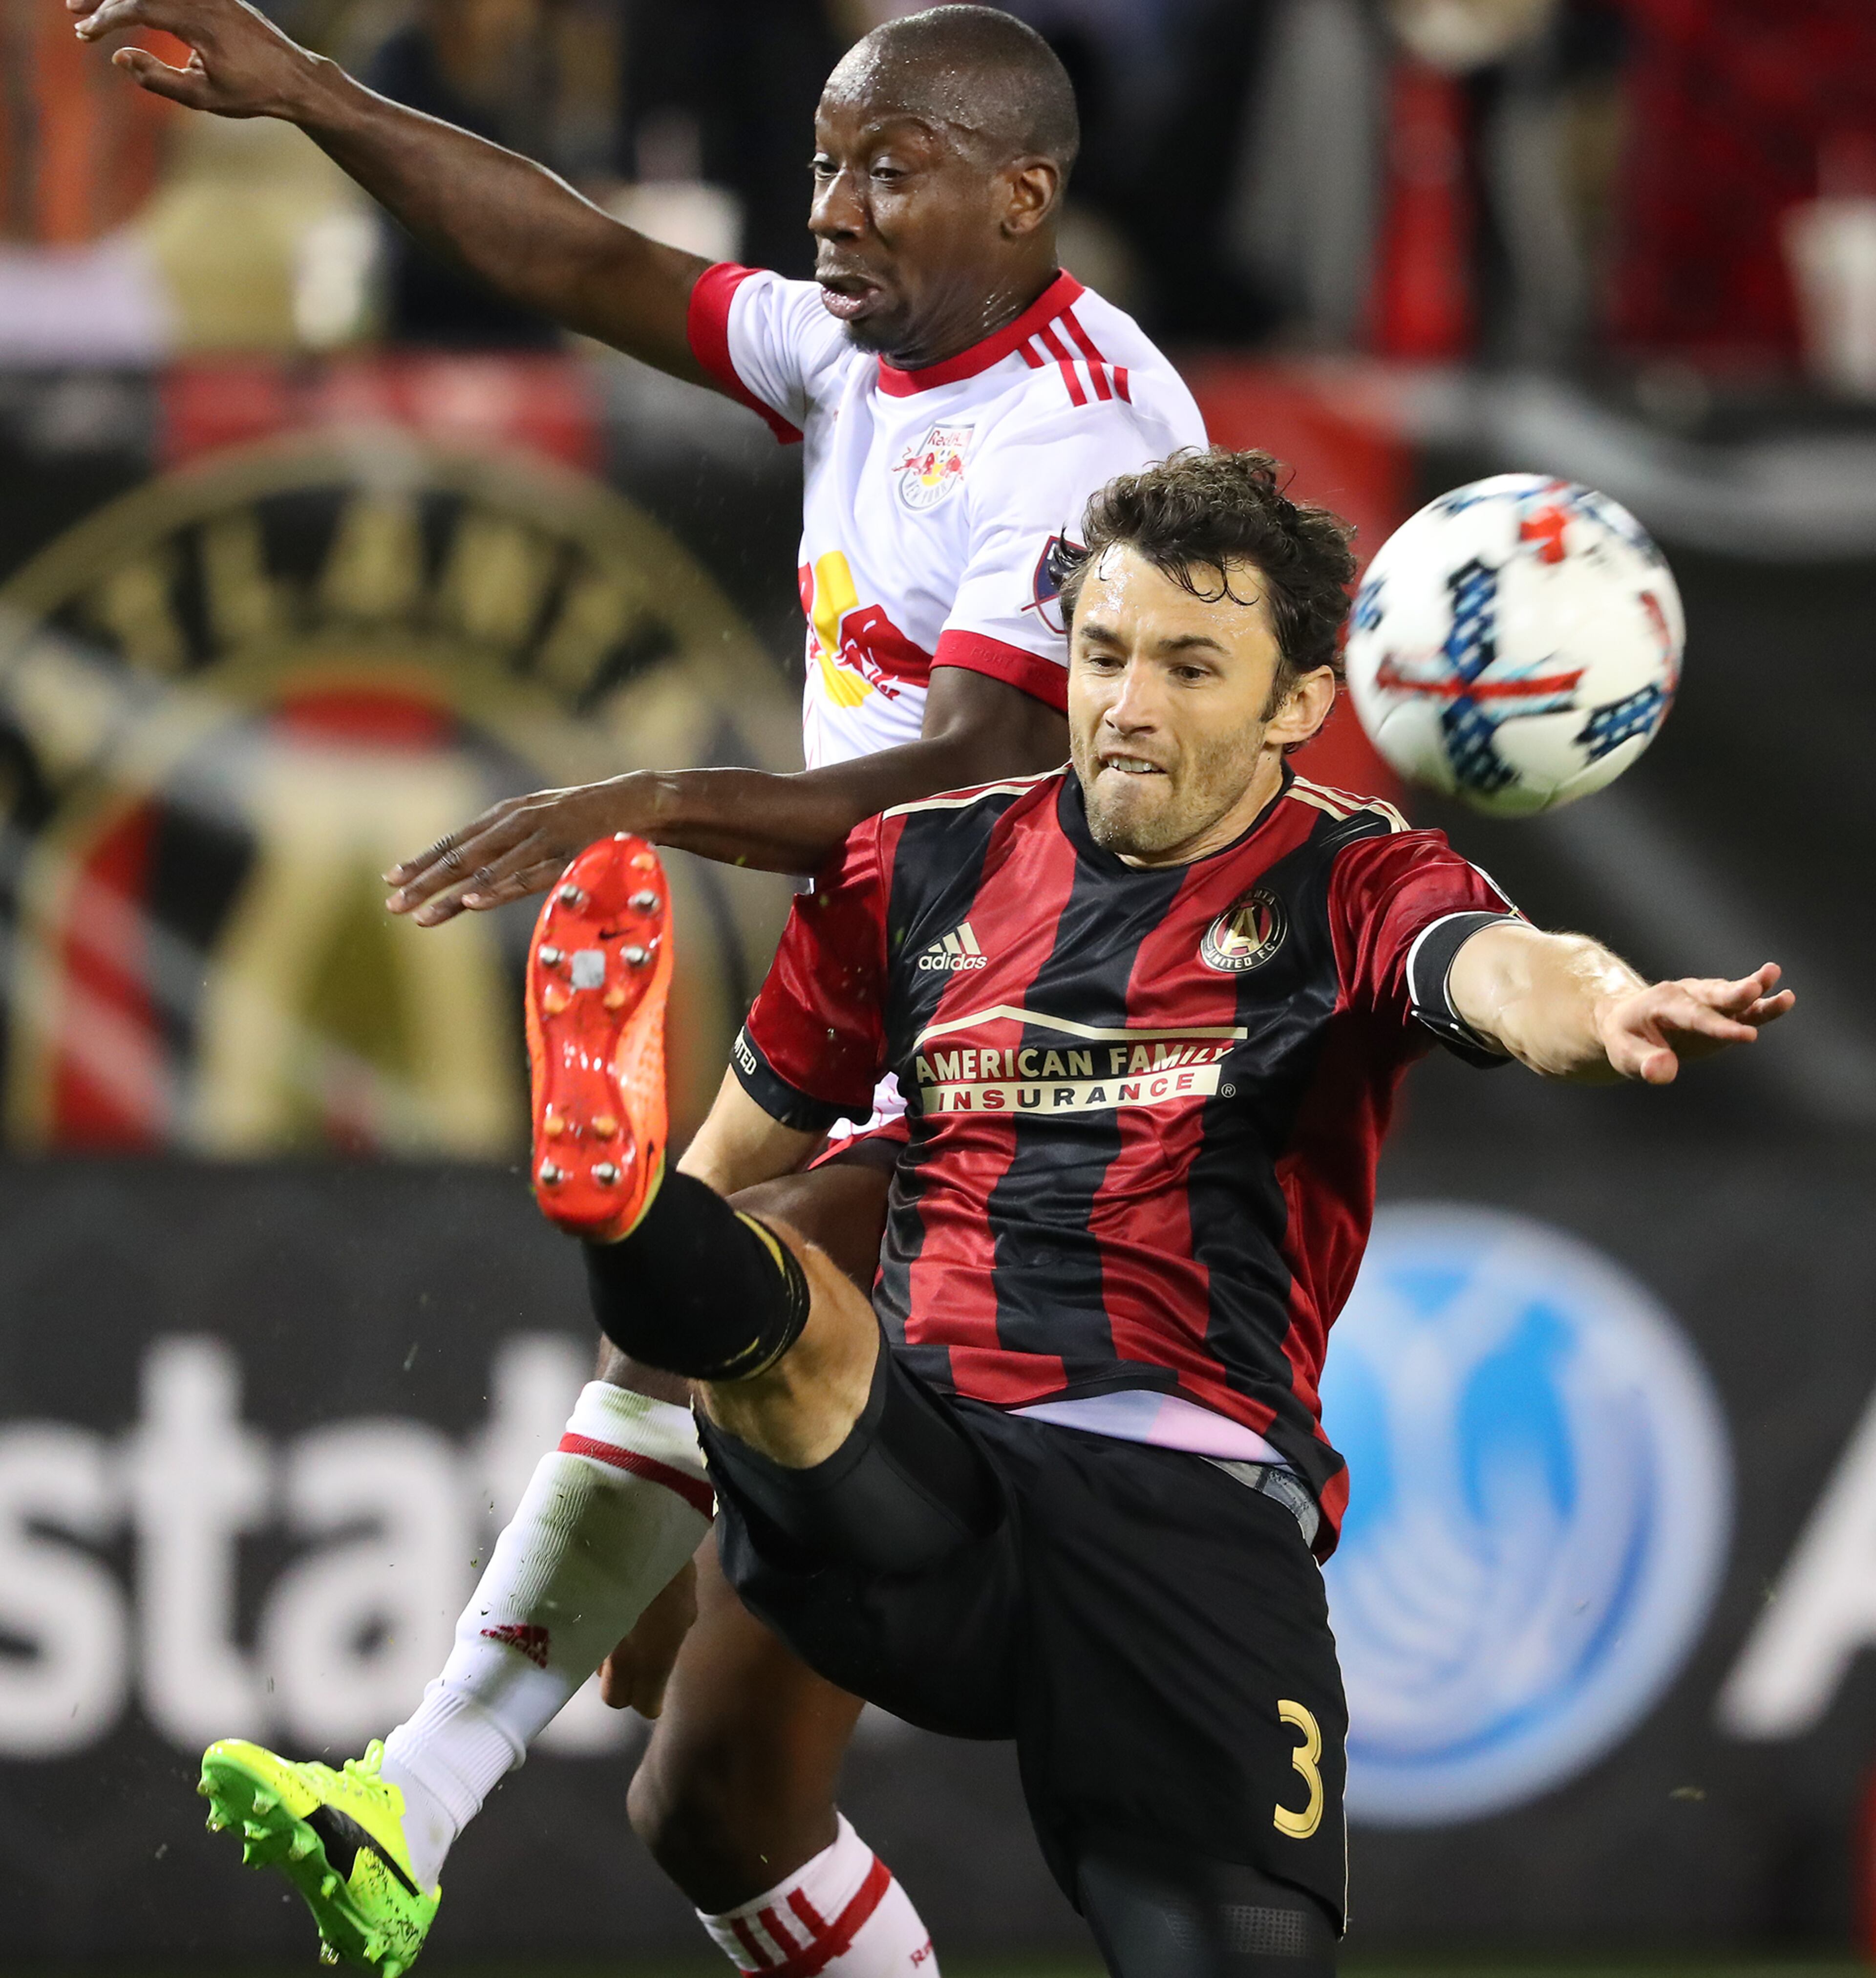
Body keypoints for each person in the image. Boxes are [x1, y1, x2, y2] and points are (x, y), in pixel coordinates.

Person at [70, 0, 1207, 1964]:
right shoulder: (864, 350)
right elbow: (584, 260)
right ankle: (421, 1793)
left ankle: (423, 1784)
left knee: (709, 1296)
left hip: (1077, 1065)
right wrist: (313, 95)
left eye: (892, 171)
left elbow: (972, 774)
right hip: (904, 998)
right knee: (713, 1802)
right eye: (829, 165)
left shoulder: (1073, 436)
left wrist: (653, 796)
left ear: (1025, 195)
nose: (834, 210)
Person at [509, 447, 1782, 1974]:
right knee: (780, 1291)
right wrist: (649, 1517)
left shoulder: (1355, 884)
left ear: (1298, 705)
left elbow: (1498, 971)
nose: (1127, 703)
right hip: (926, 1480)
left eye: (1190, 667)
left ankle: (658, 1242)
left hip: (1189, 1530)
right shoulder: (914, 866)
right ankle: (622, 1191)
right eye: (1104, 654)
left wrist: (1605, 1001)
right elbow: (724, 1177)